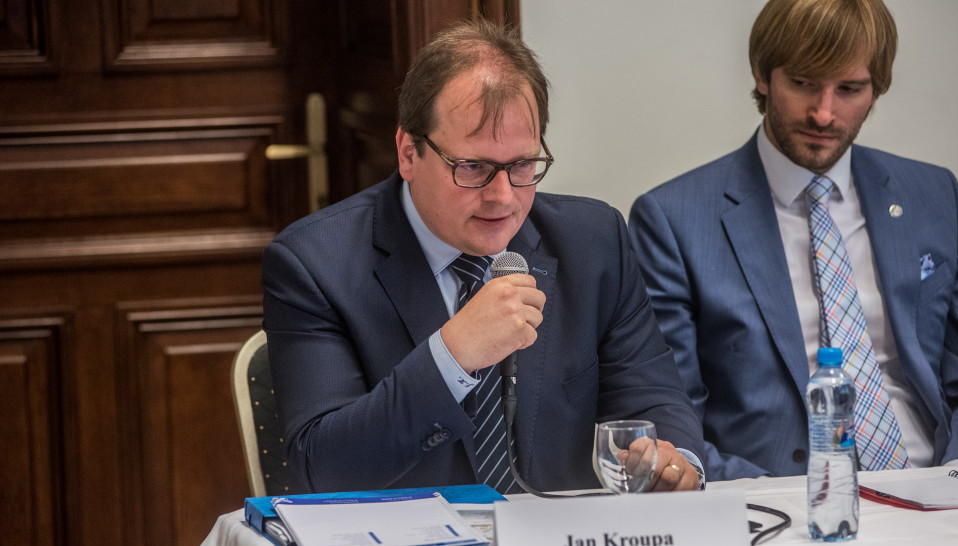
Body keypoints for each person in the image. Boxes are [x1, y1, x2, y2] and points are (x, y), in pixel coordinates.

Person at [262, 19, 705, 494]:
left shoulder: (594, 242)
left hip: (562, 536)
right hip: (410, 539)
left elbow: (654, 401)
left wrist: (672, 462)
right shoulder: (314, 263)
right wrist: (452, 355)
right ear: (408, 152)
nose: (503, 197)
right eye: (473, 167)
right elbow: (323, 468)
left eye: (523, 165)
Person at [628, 0, 958, 481]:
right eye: (803, 83)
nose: (824, 114)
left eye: (849, 89)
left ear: (876, 89)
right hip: (774, 497)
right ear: (763, 75)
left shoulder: (935, 196)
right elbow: (676, 423)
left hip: (935, 484)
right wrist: (783, 503)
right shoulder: (673, 219)